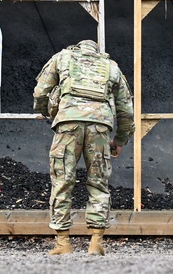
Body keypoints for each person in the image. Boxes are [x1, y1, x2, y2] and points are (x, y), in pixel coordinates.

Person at [33, 39, 134, 256]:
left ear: (78, 49)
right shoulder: (112, 67)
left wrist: (49, 114)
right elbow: (126, 109)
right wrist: (120, 140)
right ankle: (96, 242)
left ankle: (63, 244)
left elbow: (41, 92)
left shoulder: (62, 58)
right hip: (100, 127)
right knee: (98, 183)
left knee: (62, 180)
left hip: (68, 124)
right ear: (96, 52)